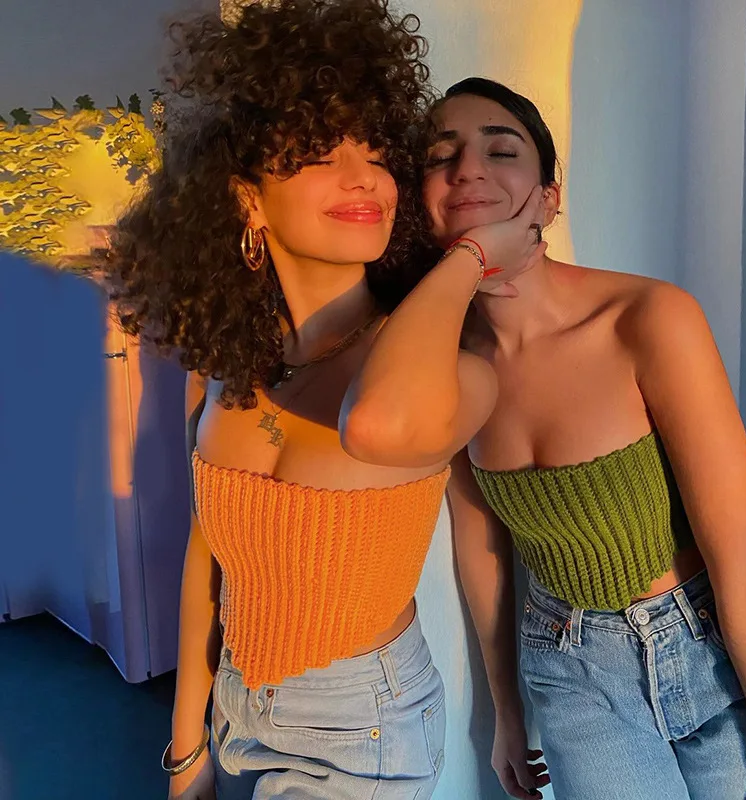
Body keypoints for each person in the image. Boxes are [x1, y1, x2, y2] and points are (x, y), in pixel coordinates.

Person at [340, 77, 746, 800]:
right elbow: (482, 548)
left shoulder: (648, 318)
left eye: (501, 150)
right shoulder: (450, 364)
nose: (468, 169)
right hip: (571, 669)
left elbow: (744, 572)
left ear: (549, 198)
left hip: (712, 654)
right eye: (441, 157)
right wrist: (506, 713)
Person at [106, 3, 450, 798]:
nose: (363, 176)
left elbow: (384, 424)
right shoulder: (225, 365)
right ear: (248, 201)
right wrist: (185, 745)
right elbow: (209, 556)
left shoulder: (417, 359)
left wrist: (467, 256)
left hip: (362, 727)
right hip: (237, 711)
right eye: (320, 152)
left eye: (376, 151)